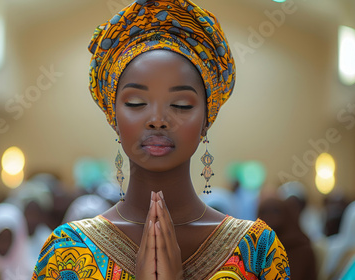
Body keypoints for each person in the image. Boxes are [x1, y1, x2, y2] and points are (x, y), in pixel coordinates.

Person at [32, 0, 290, 279]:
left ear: (206, 119)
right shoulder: (66, 251)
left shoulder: (258, 251)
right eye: (135, 102)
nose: (158, 119)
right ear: (114, 117)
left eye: (180, 105)